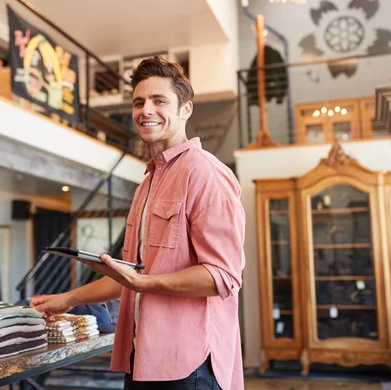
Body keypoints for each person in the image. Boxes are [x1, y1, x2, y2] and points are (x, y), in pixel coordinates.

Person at [31, 56, 245, 389]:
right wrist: (68, 298)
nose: (146, 110)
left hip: (190, 365)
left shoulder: (206, 174)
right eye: (139, 102)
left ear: (186, 109)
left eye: (160, 101)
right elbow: (132, 275)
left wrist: (142, 283)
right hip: (142, 355)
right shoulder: (147, 182)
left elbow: (223, 276)